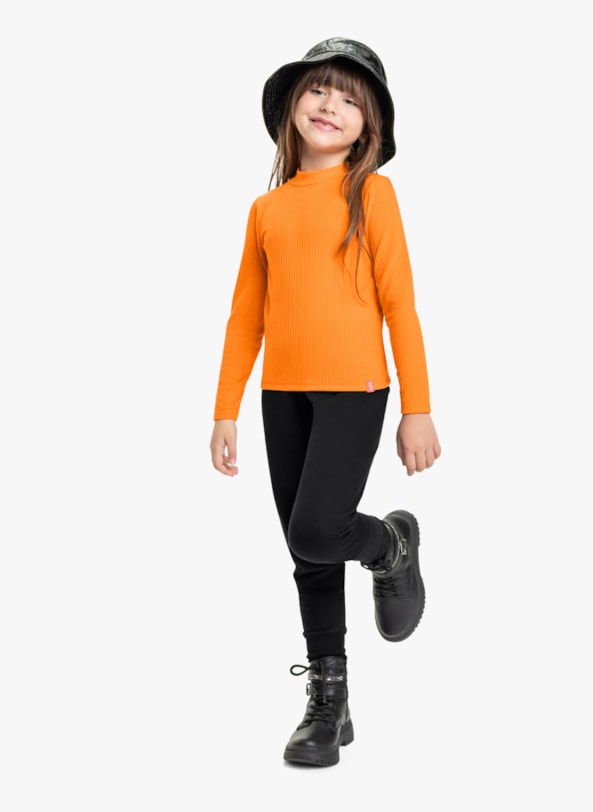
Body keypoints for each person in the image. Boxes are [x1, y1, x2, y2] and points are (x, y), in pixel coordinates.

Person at [210, 37, 441, 767]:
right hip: (282, 394)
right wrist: (224, 410)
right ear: (291, 107)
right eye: (318, 90)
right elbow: (245, 317)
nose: (331, 105)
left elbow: (401, 306)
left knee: (318, 530)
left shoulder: (371, 195)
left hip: (355, 390)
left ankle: (391, 546)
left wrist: (417, 406)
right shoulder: (266, 210)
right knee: (304, 552)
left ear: (369, 126)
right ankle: (328, 702)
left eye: (350, 98)